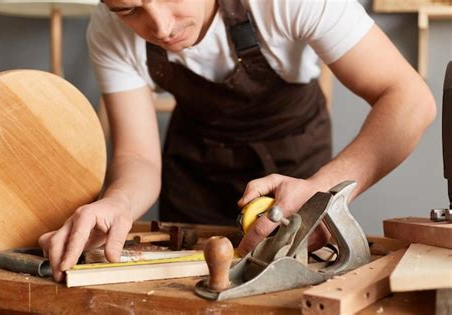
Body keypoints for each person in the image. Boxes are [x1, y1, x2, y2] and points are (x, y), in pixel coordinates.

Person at [39, 0, 436, 282]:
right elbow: (138, 155)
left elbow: (410, 99)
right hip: (195, 166)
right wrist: (117, 202)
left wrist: (322, 192)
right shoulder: (108, 29)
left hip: (295, 162)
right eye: (129, 10)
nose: (160, 26)